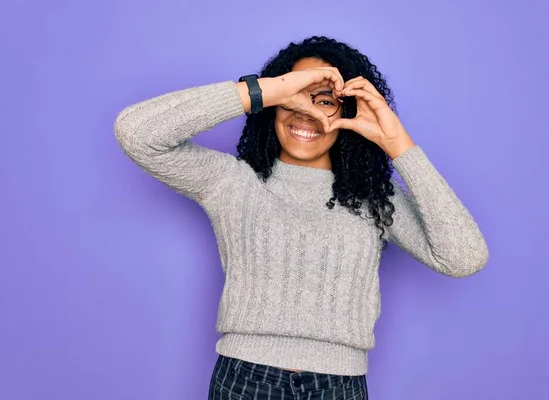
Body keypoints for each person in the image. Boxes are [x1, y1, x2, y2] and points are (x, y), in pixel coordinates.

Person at [114, 35, 489, 400]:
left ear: (348, 110)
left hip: (339, 387)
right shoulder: (230, 181)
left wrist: (397, 143)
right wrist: (266, 90)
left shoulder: (374, 198)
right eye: (293, 96)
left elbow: (464, 257)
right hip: (244, 381)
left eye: (323, 100)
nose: (305, 111)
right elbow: (137, 133)